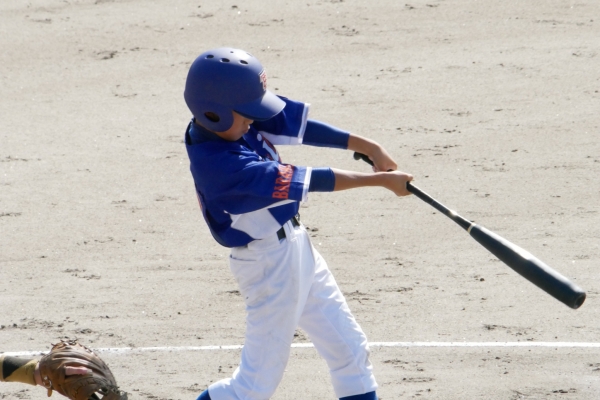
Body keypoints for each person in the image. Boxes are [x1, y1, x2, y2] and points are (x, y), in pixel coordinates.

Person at [184, 47, 413, 400]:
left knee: (350, 351)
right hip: (268, 266)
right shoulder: (221, 166)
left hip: (296, 248)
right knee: (252, 388)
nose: (253, 121)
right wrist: (380, 181)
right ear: (213, 113)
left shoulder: (227, 121)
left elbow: (297, 126)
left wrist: (368, 146)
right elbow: (310, 179)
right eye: (247, 115)